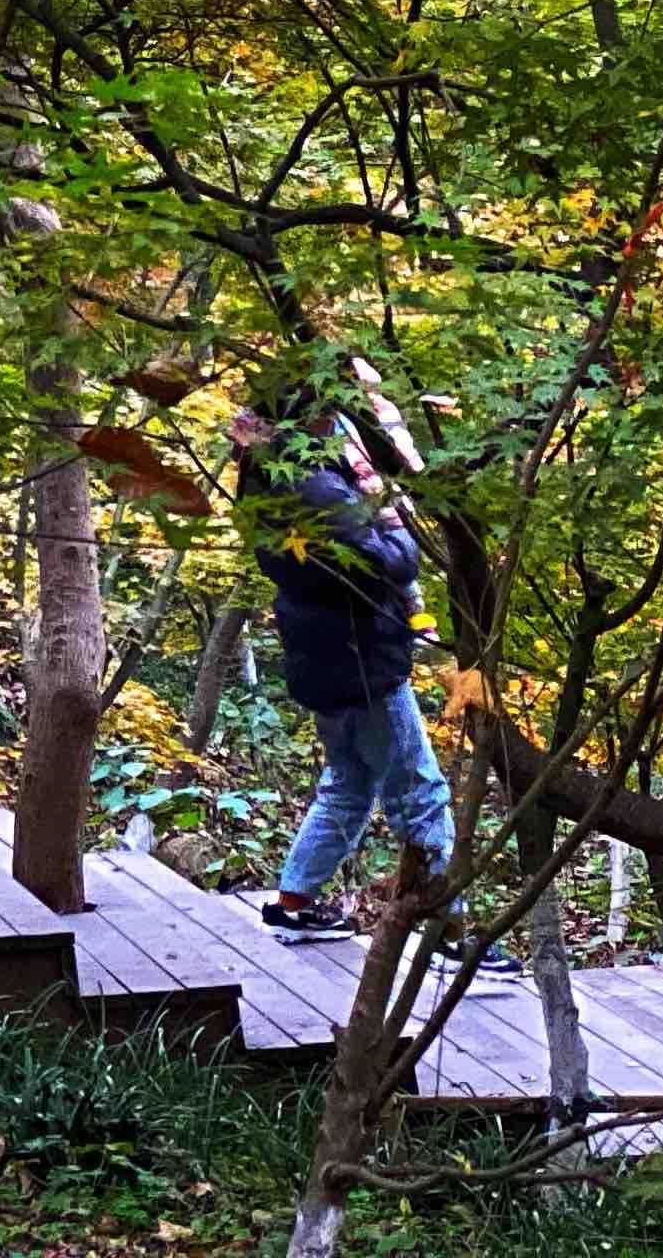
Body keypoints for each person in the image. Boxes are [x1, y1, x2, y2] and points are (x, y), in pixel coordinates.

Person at [229, 398, 456, 944]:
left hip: (325, 649)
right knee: (419, 790)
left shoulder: (275, 466)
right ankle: (451, 931)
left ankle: (294, 903)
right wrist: (399, 527)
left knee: (350, 782)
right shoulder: (315, 481)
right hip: (358, 654)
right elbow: (391, 558)